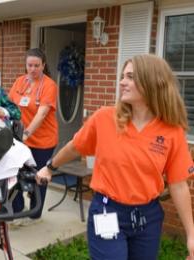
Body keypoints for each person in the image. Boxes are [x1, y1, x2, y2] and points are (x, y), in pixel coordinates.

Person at [36, 54, 194, 259]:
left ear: (152, 81)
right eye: (122, 76)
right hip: (107, 211)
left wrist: (191, 234)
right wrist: (50, 167)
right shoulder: (104, 118)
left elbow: (179, 184)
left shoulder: (172, 131)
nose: (122, 82)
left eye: (130, 77)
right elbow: (75, 147)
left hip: (148, 217)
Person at [8, 48, 58, 223]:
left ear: (43, 65)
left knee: (39, 176)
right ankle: (17, 207)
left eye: (37, 65)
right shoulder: (20, 82)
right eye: (30, 65)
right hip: (21, 139)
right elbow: (9, 105)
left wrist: (27, 133)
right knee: (16, 173)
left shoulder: (49, 85)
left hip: (43, 140)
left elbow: (42, 113)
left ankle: (35, 212)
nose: (33, 69)